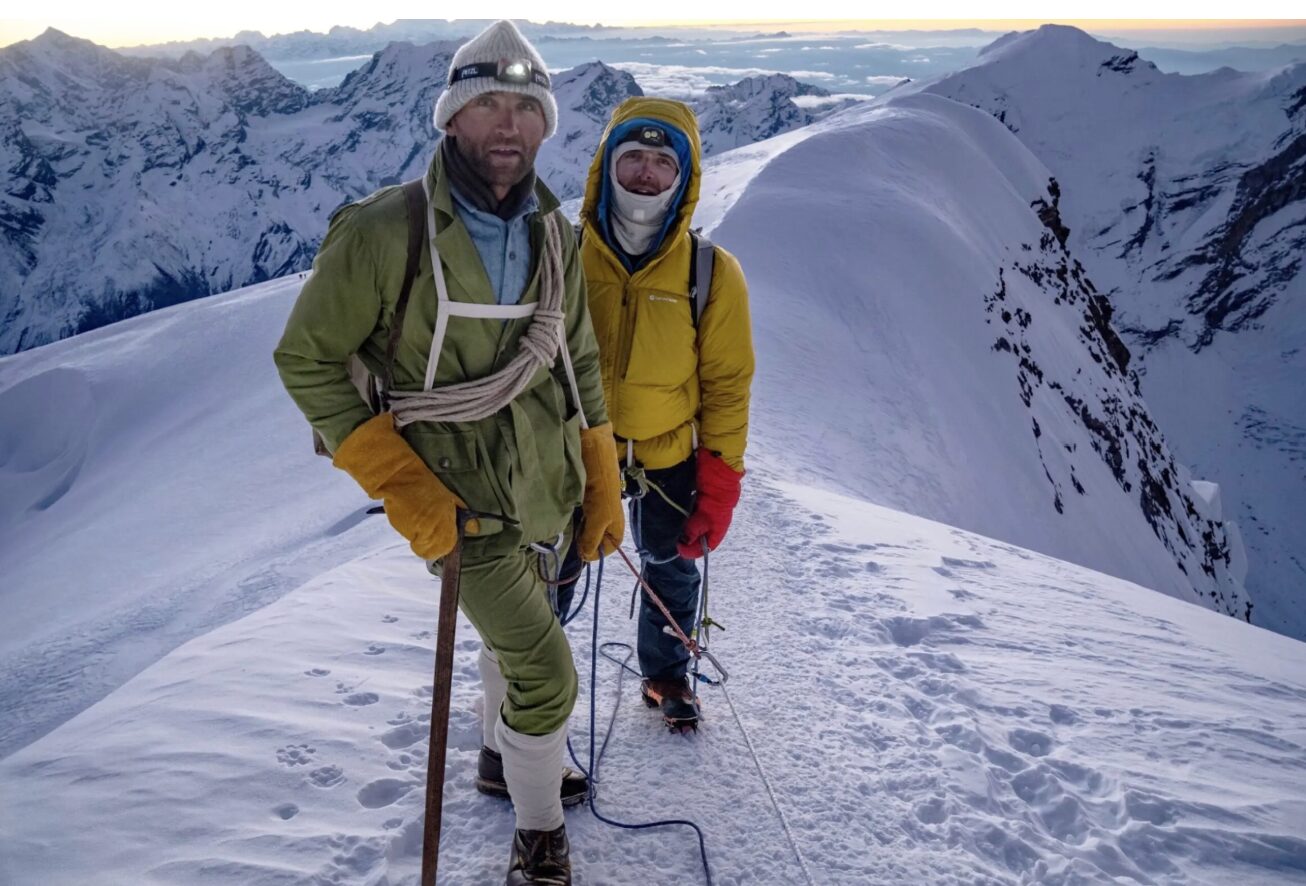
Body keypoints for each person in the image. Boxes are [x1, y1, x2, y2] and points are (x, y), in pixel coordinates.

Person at [273, 20, 624, 885]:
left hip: (548, 480)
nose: (507, 126)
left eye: (524, 108)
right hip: (457, 496)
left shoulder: (556, 237)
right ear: (452, 120)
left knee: (520, 640)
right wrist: (403, 487)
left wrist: (602, 471)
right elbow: (306, 358)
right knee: (546, 665)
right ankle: (538, 834)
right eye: (486, 106)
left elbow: (574, 356)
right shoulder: (387, 232)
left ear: (544, 126)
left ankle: (501, 760)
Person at [561, 97, 754, 731]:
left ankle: (668, 673)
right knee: (550, 569)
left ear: (684, 177)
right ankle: (529, 676)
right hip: (569, 450)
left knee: (671, 567)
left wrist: (720, 482)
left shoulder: (711, 273)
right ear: (606, 166)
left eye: (662, 163)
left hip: (665, 452)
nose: (645, 174)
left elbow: (727, 384)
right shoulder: (559, 253)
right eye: (633, 158)